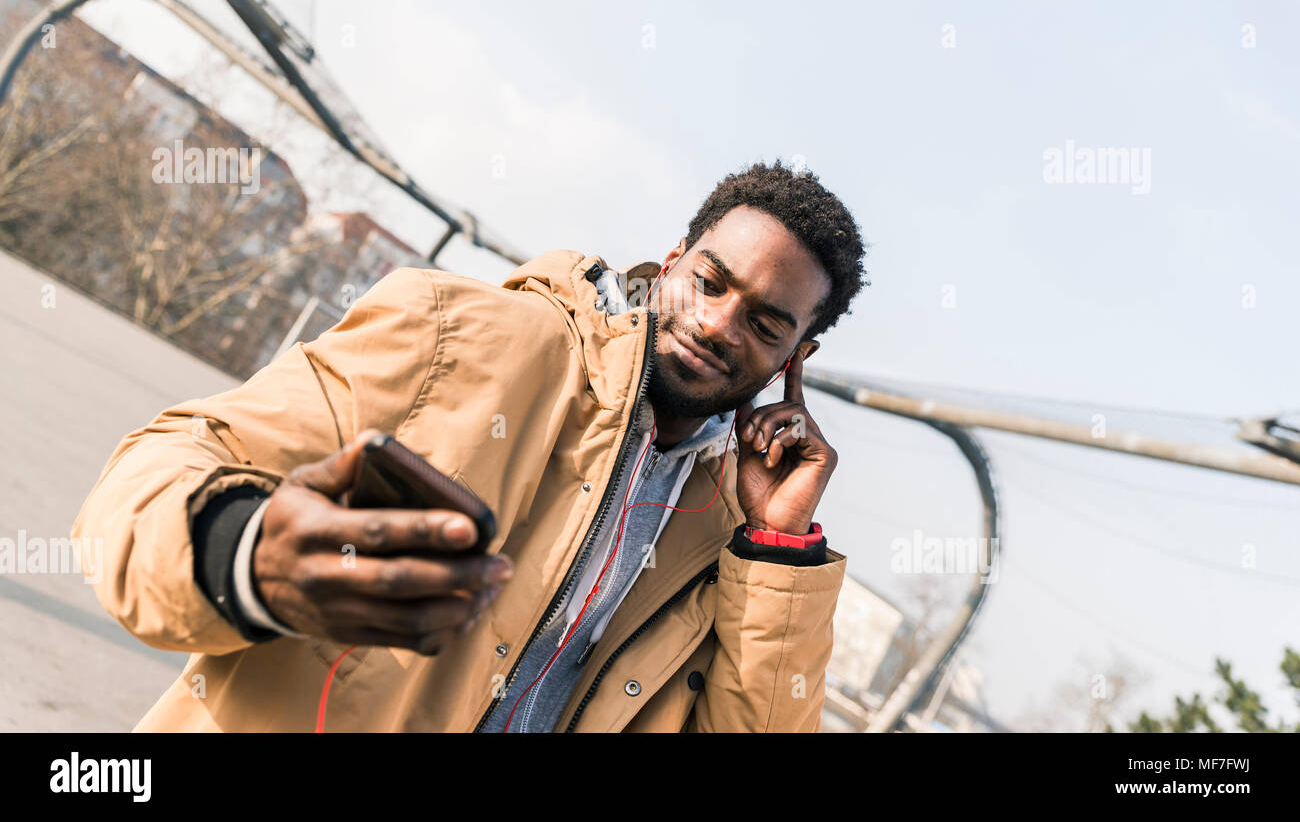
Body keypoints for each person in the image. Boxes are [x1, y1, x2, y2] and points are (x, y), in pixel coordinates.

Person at [72, 158, 869, 731]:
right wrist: (244, 552)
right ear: (667, 267)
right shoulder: (467, 333)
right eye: (709, 281)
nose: (717, 324)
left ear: (796, 358)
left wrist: (778, 548)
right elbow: (166, 463)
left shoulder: (733, 532)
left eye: (766, 323)